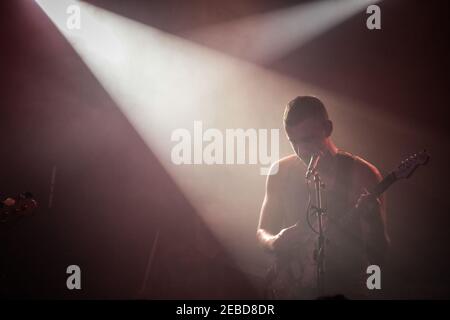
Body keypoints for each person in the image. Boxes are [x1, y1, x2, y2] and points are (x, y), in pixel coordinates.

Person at [256, 96, 389, 299]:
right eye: (293, 142)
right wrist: (275, 241)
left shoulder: (363, 174)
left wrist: (374, 220)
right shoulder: (280, 171)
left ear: (327, 129)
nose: (301, 150)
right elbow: (262, 231)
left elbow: (380, 256)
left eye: (308, 139)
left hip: (345, 290)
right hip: (293, 288)